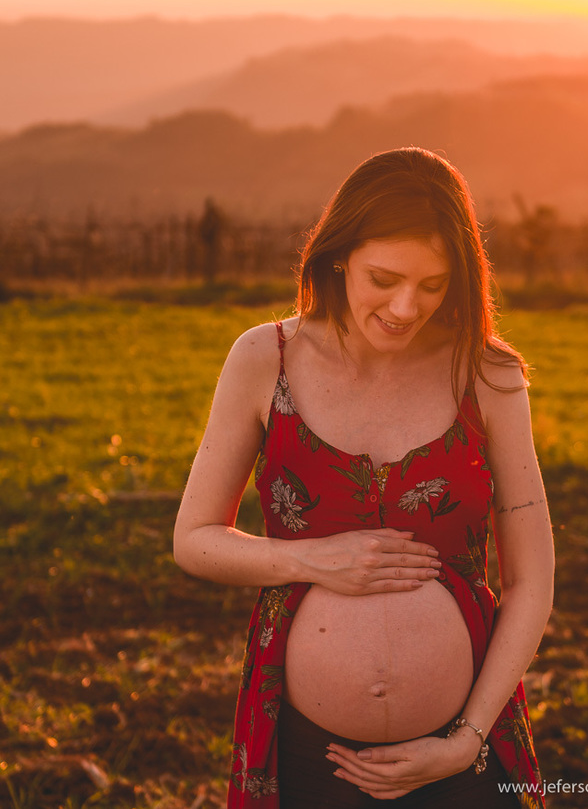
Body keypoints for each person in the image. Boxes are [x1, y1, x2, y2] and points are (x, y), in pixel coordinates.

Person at [174, 148, 554, 809]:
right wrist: (314, 560)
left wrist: (465, 739)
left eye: (432, 285)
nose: (406, 307)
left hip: (460, 752)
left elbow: (532, 582)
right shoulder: (266, 359)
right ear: (340, 253)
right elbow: (195, 539)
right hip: (307, 753)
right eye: (385, 277)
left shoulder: (488, 374)